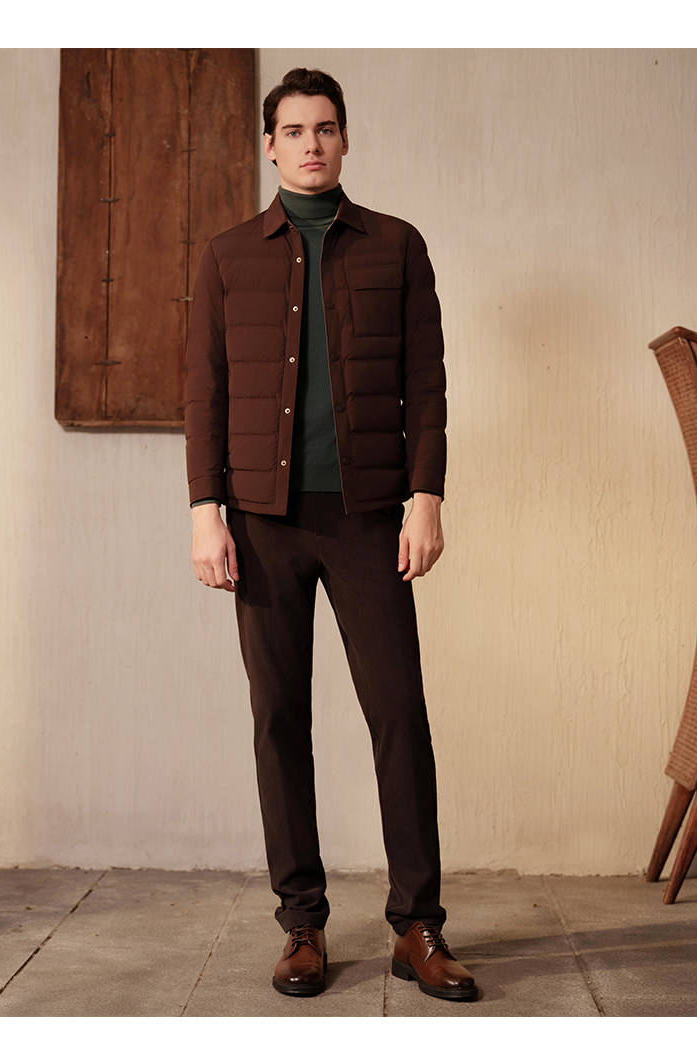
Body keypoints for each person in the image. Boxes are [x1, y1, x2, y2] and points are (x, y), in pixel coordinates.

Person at [185, 67, 477, 1002]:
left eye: (325, 128)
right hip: (262, 522)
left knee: (399, 714)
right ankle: (301, 925)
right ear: (270, 146)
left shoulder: (397, 246)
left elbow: (426, 384)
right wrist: (205, 511)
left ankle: (417, 926)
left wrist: (426, 496)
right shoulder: (227, 256)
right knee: (279, 719)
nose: (310, 144)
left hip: (368, 517)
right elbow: (206, 394)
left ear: (345, 139)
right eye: (294, 130)